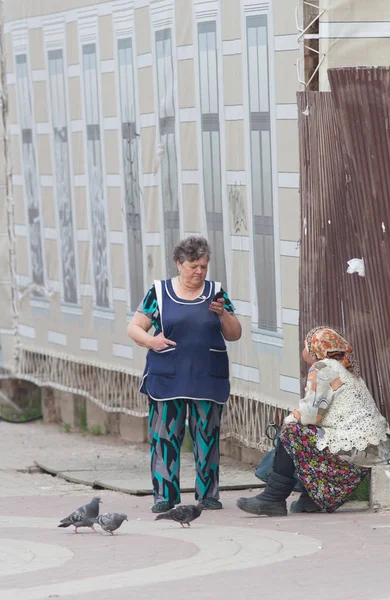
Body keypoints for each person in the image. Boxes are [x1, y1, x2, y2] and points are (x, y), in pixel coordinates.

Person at [127, 236, 242, 513]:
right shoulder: (160, 292)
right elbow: (135, 328)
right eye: (193, 266)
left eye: (204, 266)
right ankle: (165, 495)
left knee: (207, 436)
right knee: (165, 437)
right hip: (167, 376)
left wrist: (223, 314)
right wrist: (151, 341)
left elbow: (235, 334)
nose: (199, 272)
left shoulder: (215, 292)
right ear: (179, 264)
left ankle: (208, 495)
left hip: (207, 377)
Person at [237, 326, 388, 516]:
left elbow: (310, 414)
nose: (303, 351)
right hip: (371, 449)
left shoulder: (323, 367)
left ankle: (273, 498)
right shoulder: (344, 368)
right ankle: (310, 500)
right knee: (307, 437)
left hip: (353, 449)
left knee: (292, 432)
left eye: (305, 346)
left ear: (316, 348)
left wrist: (288, 419)